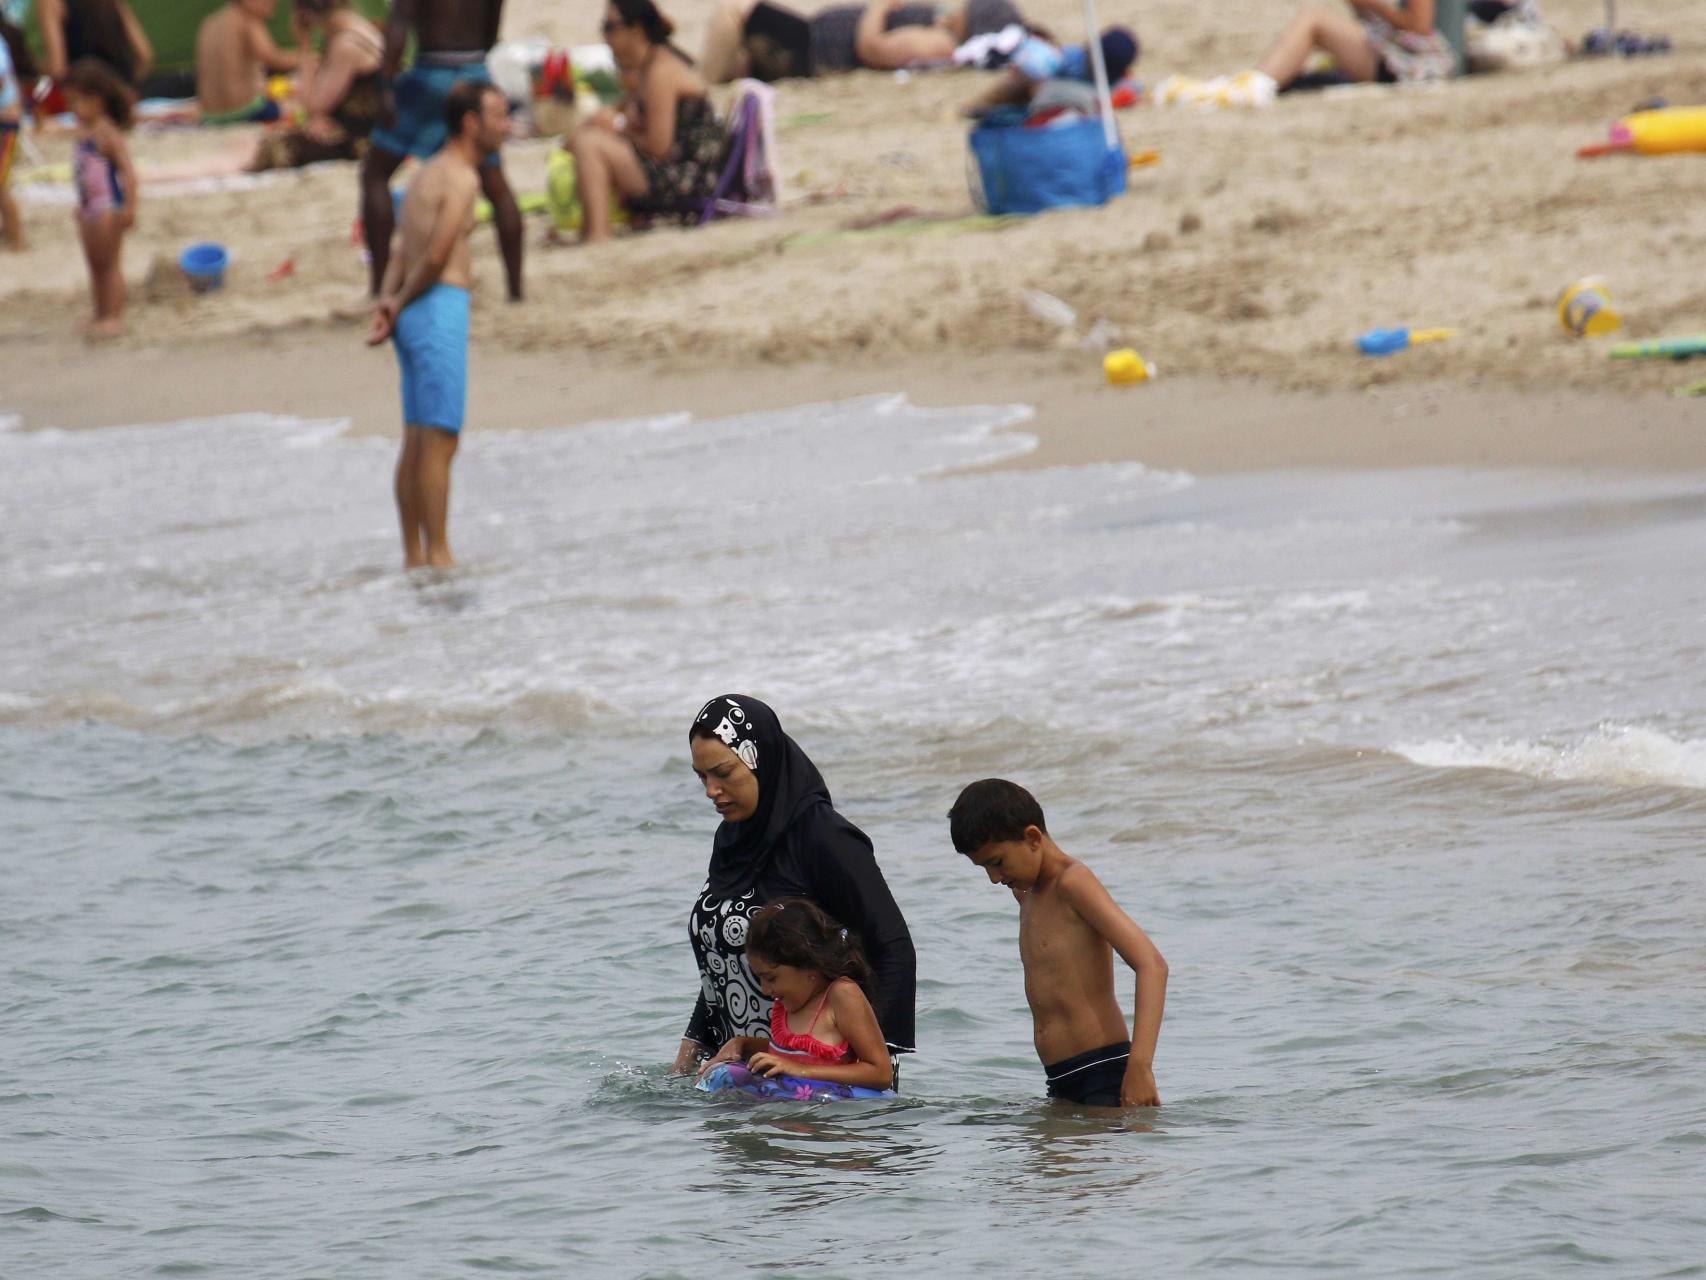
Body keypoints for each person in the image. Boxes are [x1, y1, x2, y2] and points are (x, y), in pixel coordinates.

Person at [672, 695, 917, 1081]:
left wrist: (873, 1062)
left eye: (722, 772)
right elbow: (726, 963)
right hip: (741, 1074)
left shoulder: (823, 836)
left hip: (818, 1084)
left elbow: (891, 944)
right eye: (702, 777)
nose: (710, 790)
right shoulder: (731, 842)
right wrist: (685, 1062)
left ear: (761, 760)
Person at [948, 778, 1167, 1108]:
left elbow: (1152, 965)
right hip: (1061, 1078)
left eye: (997, 863)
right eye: (983, 868)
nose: (994, 879)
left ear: (1033, 838)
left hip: (1103, 1072)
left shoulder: (1073, 882)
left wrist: (1140, 1067)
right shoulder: (1029, 892)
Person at [365, 79, 507, 571]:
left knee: (416, 439)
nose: (507, 126)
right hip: (436, 304)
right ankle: (441, 556)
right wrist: (401, 301)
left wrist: (388, 299)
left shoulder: (426, 173)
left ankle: (414, 558)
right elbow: (438, 252)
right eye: (499, 116)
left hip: (413, 310)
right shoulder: (464, 180)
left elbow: (402, 247)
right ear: (471, 123)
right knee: (441, 439)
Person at [362, 0, 522, 302]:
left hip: (430, 71)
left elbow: (399, 23)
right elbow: (491, 32)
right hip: (474, 68)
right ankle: (515, 290)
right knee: (495, 183)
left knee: (375, 173)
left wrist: (385, 85)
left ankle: (378, 285)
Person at [565, 0, 727, 242]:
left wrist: (619, 128)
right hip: (679, 168)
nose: (605, 36)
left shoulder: (660, 72)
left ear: (637, 30)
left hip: (687, 177)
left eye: (610, 27)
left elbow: (659, 147)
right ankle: (589, 230)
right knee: (587, 136)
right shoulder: (646, 67)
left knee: (591, 145)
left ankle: (597, 234)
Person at [696, 898, 896, 1090]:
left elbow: (881, 1073)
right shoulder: (787, 1003)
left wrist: (800, 1070)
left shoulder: (841, 994)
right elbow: (795, 1054)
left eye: (771, 978)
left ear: (809, 965)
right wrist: (742, 1043)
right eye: (760, 979)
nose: (765, 990)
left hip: (831, 1122)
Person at [1160, 0, 1454, 107]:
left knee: (1313, 19)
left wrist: (1374, 4)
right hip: (1386, 52)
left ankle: (1258, 83)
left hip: (1412, 60)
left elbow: (1419, 25)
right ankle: (1259, 80)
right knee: (1312, 21)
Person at [702, 0, 1021, 84]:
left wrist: (879, 7)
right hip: (815, 40)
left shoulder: (940, 42)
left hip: (816, 49)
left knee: (735, 10)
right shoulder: (941, 26)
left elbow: (872, 49)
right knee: (736, 56)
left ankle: (704, 85)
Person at [248, 0, 384, 170]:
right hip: (372, 130)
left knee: (272, 147)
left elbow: (313, 106)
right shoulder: (358, 29)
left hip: (363, 139)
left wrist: (304, 46)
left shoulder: (345, 44)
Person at [63, 59, 136, 338]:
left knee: (109, 264)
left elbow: (128, 173)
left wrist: (129, 207)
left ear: (98, 100)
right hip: (89, 207)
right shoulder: (85, 134)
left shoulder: (108, 134)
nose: (73, 110)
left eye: (76, 102)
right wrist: (80, 205)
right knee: (94, 265)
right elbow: (83, 174)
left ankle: (113, 315)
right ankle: (100, 313)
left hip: (108, 206)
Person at [194, 0, 303, 124]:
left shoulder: (209, 23)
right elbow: (273, 58)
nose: (273, 4)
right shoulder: (248, 20)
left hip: (211, 117)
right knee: (297, 109)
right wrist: (308, 58)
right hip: (246, 112)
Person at [36, 0, 151, 89]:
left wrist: (36, 74)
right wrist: (126, 88)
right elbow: (144, 55)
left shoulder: (50, 3)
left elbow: (58, 69)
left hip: (85, 98)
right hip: (123, 96)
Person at [0, 15, 23, 250]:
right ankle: (9, 232)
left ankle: (17, 239)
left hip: (6, 125)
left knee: (1, 184)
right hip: (7, 121)